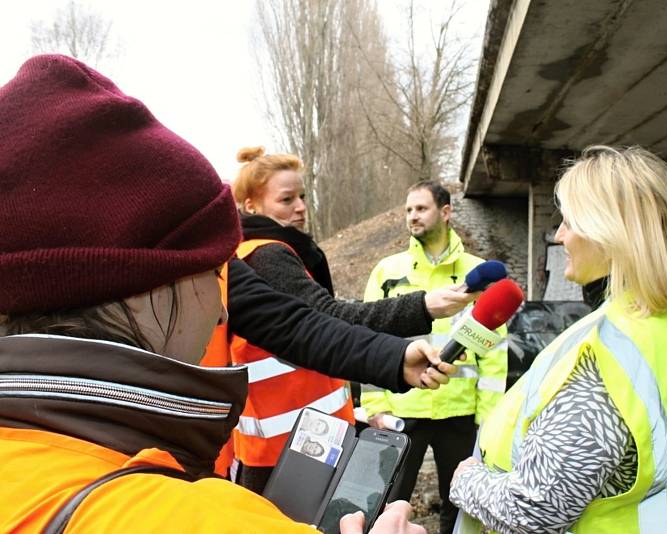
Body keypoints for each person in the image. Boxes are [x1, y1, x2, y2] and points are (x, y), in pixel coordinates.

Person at [0, 54, 449, 533]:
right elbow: (307, 318)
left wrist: (393, 356)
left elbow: (297, 322)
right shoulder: (196, 520)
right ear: (142, 283)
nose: (220, 312)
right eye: (212, 271)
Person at [449, 146, 667, 533]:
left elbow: (536, 511)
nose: (560, 235)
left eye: (570, 221)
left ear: (610, 233)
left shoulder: (601, 364)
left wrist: (467, 480)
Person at [228, 148, 477, 494]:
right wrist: (424, 307)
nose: (300, 207)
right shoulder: (268, 256)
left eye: (302, 196)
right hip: (291, 450)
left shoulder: (261, 253)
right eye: (286, 200)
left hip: (294, 442)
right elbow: (329, 318)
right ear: (251, 206)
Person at [360, 181, 508, 534]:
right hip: (402, 411)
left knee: (461, 505)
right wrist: (374, 404)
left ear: (445, 212)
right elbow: (368, 339)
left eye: (421, 208)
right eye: (409, 209)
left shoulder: (479, 272)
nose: (412, 216)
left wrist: (488, 417)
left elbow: (494, 352)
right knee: (387, 501)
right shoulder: (387, 271)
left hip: (459, 414)